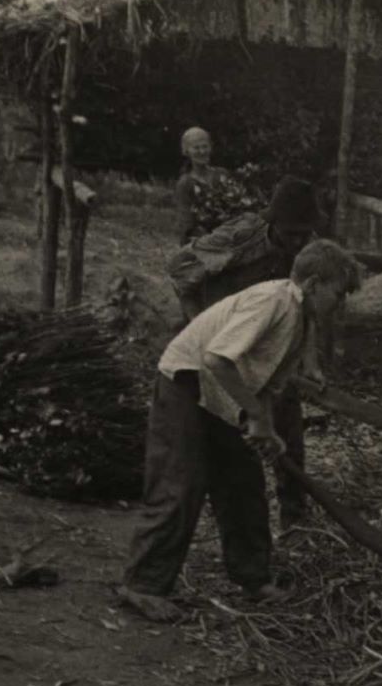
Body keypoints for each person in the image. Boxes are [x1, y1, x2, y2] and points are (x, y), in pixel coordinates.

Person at [118, 238, 361, 624]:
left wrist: (262, 426)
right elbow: (217, 358)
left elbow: (259, 379)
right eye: (339, 293)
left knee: (243, 485)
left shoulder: (299, 320)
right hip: (187, 381)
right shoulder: (274, 302)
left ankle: (253, 579)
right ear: (314, 284)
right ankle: (142, 585)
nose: (341, 305)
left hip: (219, 393)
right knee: (181, 483)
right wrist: (257, 417)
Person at [168, 175, 324, 520]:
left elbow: (309, 307)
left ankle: (295, 520)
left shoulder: (308, 251)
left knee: (288, 431)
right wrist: (200, 323)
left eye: (304, 233)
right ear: (273, 222)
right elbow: (179, 269)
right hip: (224, 347)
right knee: (223, 438)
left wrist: (311, 365)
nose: (298, 241)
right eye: (290, 233)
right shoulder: (240, 237)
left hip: (269, 346)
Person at [173, 126, 256, 244]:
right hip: (203, 241)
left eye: (204, 146)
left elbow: (239, 206)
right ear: (186, 151)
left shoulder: (222, 174)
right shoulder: (185, 184)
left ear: (210, 147)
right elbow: (187, 224)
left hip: (232, 235)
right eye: (196, 148)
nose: (202, 151)